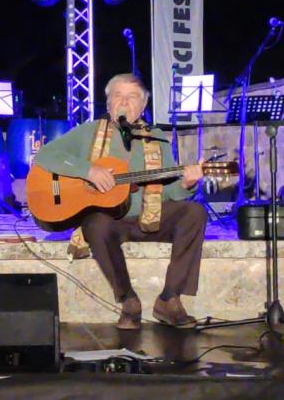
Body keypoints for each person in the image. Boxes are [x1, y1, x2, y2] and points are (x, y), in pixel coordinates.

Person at [33, 73, 207, 330]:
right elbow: (46, 155)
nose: (124, 102)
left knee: (194, 213)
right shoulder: (89, 132)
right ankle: (128, 300)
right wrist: (88, 171)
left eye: (132, 96)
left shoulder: (157, 138)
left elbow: (170, 192)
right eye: (118, 95)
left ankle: (169, 300)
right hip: (110, 223)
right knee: (95, 223)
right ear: (109, 103)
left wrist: (186, 184)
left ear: (143, 106)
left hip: (150, 218)